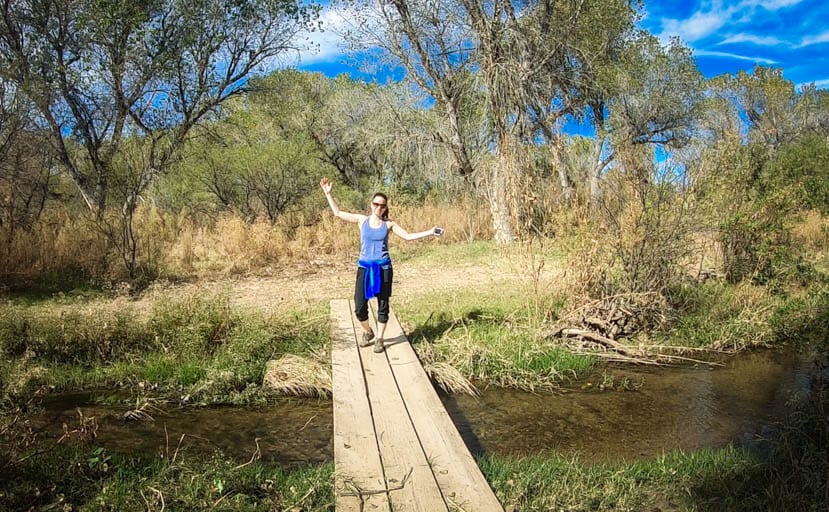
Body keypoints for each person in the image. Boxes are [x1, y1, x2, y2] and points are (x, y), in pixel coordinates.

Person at [320, 177, 442, 353]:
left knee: (382, 304)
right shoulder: (362, 220)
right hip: (365, 268)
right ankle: (367, 331)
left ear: (385, 207)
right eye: (376, 204)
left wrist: (430, 231)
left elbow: (407, 236)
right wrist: (328, 194)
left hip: (383, 268)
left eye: (382, 205)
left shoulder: (389, 224)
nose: (379, 207)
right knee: (359, 306)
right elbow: (338, 213)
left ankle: (379, 338)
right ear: (371, 204)